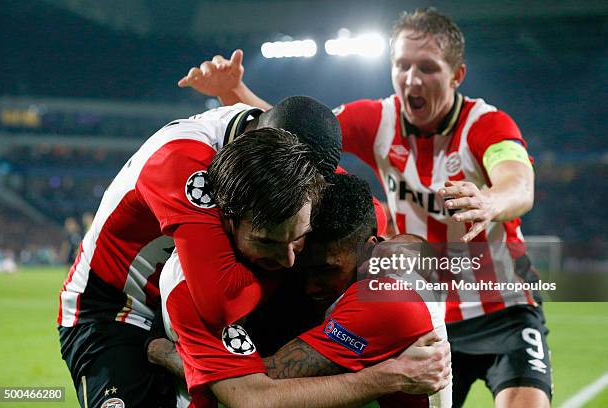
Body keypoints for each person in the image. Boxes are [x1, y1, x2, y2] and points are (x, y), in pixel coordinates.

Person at [178, 7, 551, 408]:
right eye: (402, 65)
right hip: (432, 308)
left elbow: (520, 184)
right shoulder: (377, 118)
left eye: (427, 68)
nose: (412, 79)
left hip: (503, 307)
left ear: (456, 76)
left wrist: (489, 200)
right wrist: (234, 92)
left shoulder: (486, 124)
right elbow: (300, 137)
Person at [58, 97, 340, 408]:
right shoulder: (183, 159)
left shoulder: (290, 155)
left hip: (183, 296)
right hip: (116, 310)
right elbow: (220, 300)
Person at [154, 173, 452, 407]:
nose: (310, 286)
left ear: (368, 251)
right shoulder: (383, 250)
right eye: (301, 267)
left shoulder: (385, 301)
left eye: (326, 270)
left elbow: (254, 383)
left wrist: (159, 351)